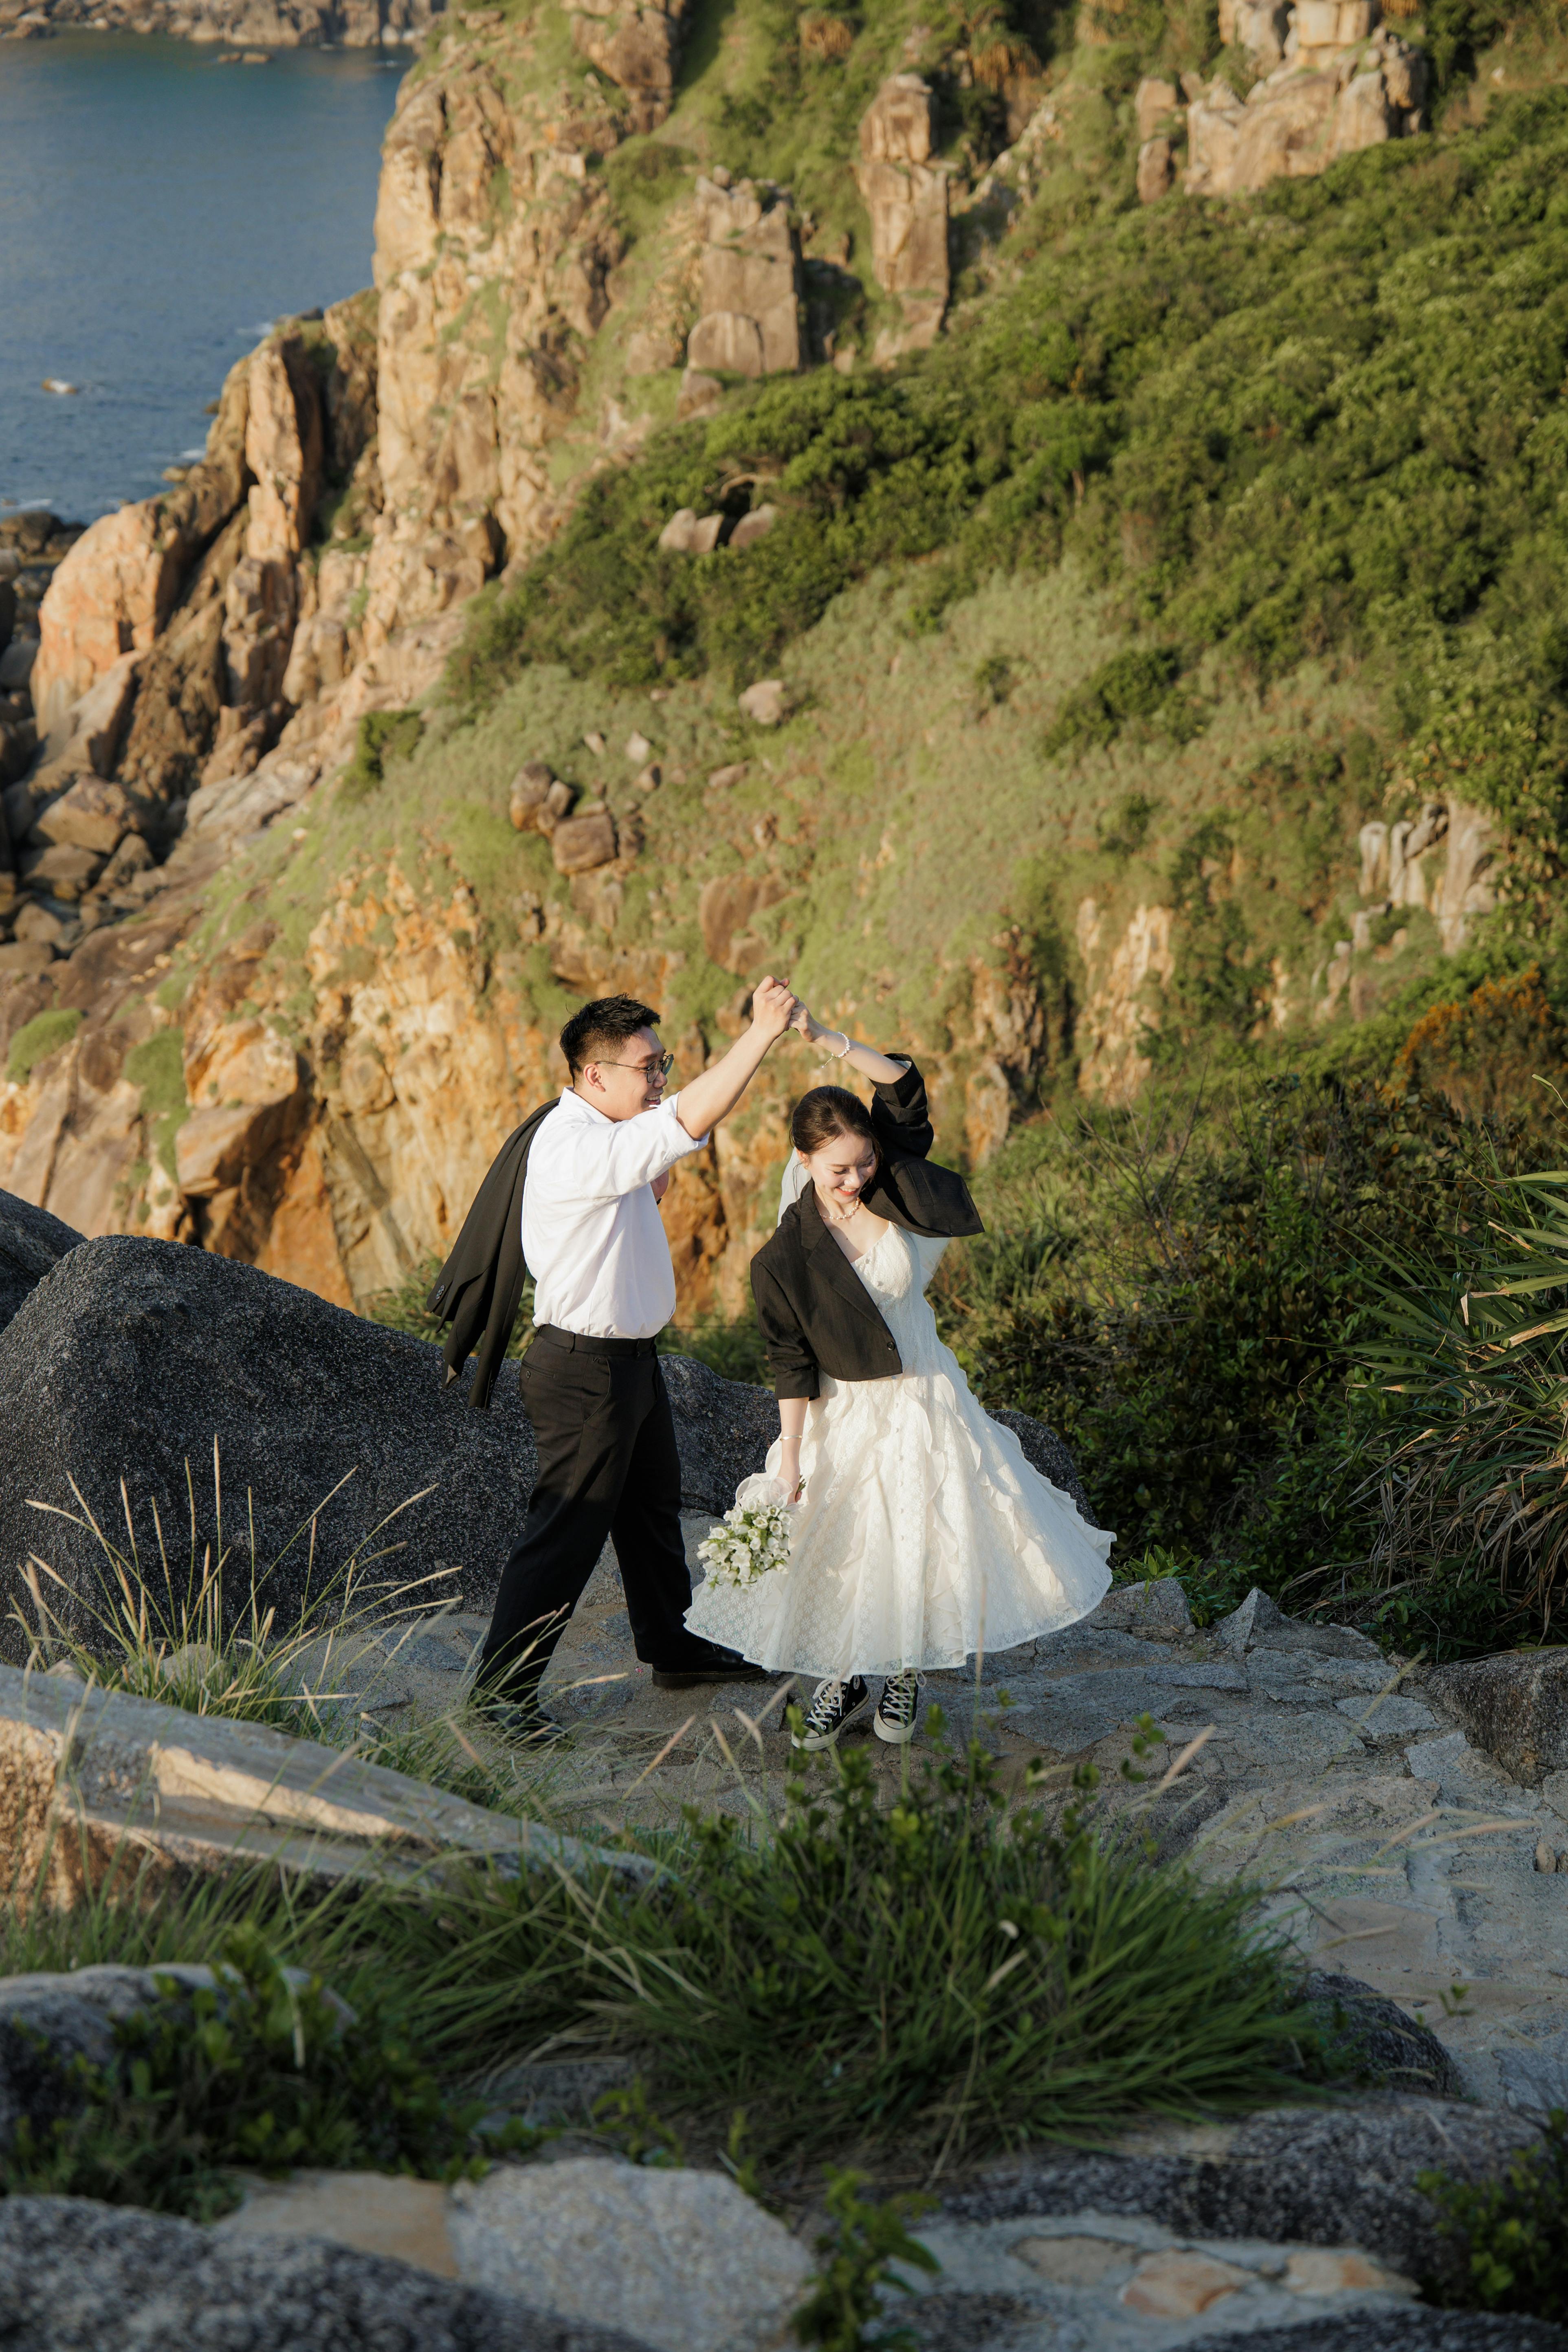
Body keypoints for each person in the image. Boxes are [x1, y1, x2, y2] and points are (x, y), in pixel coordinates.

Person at [685, 1006, 1114, 1749]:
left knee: (925, 1533)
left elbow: (905, 1086)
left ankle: (906, 1670)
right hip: (844, 1407)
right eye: (836, 1170)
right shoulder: (785, 1256)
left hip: (924, 1391)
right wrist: (789, 1453)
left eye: (862, 1163)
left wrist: (826, 1038)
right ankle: (848, 1672)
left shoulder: (892, 1182)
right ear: (804, 1164)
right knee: (847, 1542)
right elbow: (789, 1358)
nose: (853, 1180)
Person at [474, 983, 801, 1738]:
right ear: (595, 1076)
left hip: (629, 1362)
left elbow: (650, 1178)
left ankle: (671, 1644)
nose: (659, 1080)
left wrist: (657, 1132)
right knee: (566, 1530)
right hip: (585, 1367)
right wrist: (761, 1034)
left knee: (650, 1514)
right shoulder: (573, 1143)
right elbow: (687, 1120)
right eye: (648, 1068)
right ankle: (499, 1693)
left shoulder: (605, 1132)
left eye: (663, 1066)